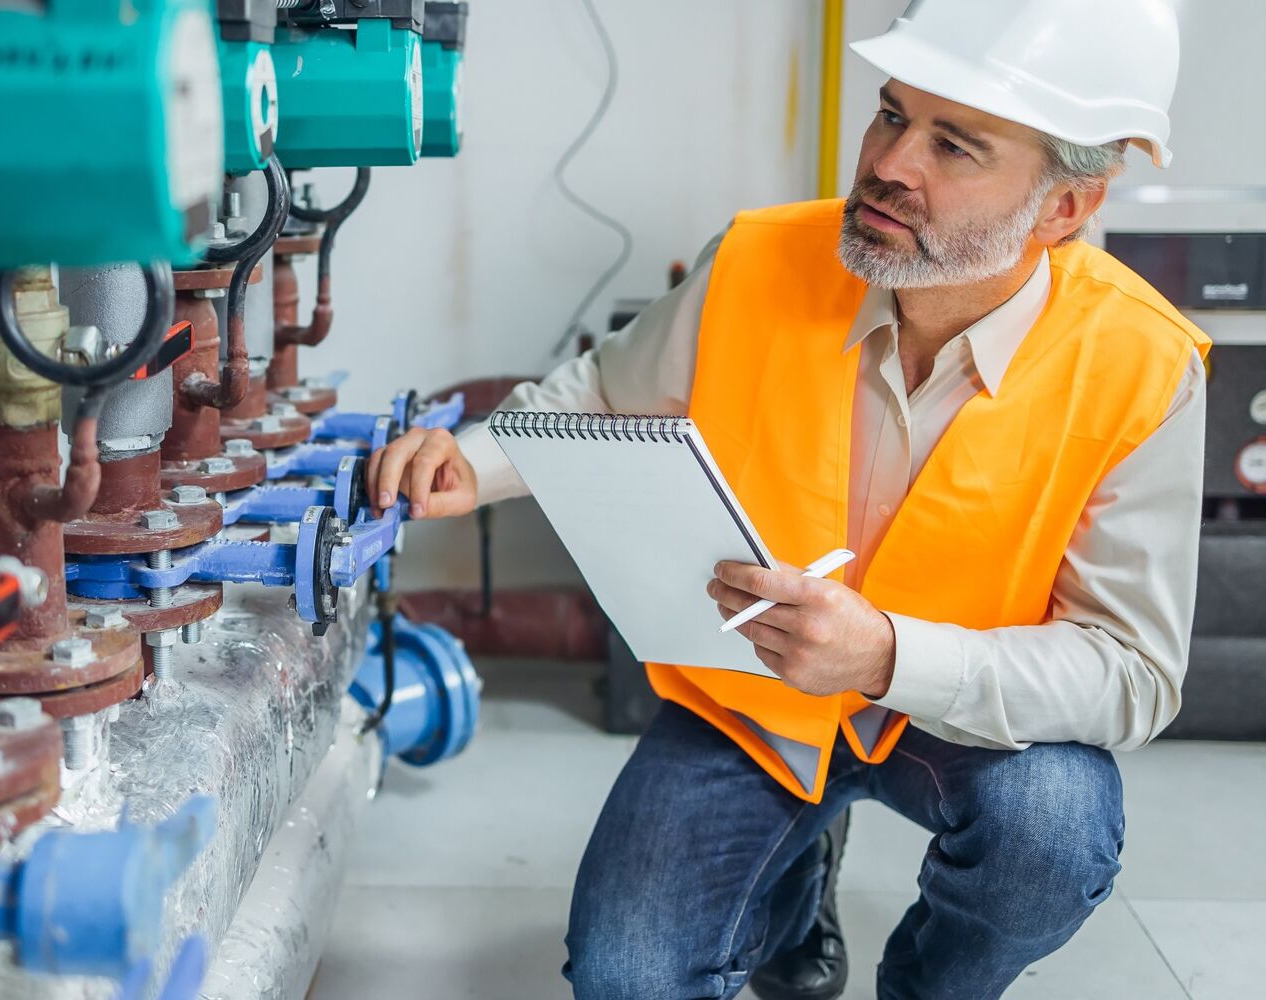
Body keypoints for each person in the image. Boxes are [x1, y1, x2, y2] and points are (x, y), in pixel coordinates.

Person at [367, 1, 1206, 996]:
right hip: (759, 700)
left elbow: (1134, 671)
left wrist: (890, 656)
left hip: (958, 715)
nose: (892, 163)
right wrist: (474, 465)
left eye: (956, 145)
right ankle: (797, 871)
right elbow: (598, 392)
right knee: (627, 976)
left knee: (1057, 830)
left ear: (1065, 208)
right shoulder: (760, 261)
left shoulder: (1141, 367)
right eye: (892, 115)